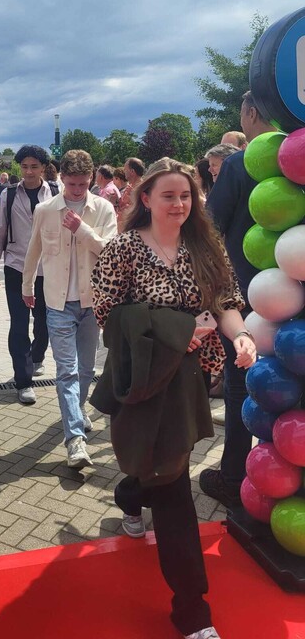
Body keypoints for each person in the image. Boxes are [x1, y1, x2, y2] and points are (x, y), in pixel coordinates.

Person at [90, 157, 256, 639]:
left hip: (186, 380)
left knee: (172, 479)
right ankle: (133, 492)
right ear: (145, 199)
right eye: (169, 195)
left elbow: (225, 300)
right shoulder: (124, 249)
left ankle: (191, 610)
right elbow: (107, 314)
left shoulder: (206, 244)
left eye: (187, 195)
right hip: (141, 375)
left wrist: (241, 336)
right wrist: (176, 329)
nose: (180, 203)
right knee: (165, 475)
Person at [199, 91, 277, 507]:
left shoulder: (237, 165)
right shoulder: (294, 156)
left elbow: (210, 232)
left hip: (245, 297)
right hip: (294, 294)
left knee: (239, 384)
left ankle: (234, 474)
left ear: (249, 113)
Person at [22, 150, 117, 467]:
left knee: (87, 369)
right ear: (61, 179)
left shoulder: (103, 208)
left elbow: (109, 251)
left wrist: (82, 229)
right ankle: (75, 439)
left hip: (93, 302)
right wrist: (26, 287)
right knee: (67, 370)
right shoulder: (45, 209)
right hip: (57, 302)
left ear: (91, 179)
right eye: (72, 184)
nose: (77, 190)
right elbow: (33, 250)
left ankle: (77, 412)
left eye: (83, 184)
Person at [0, 144, 56, 404]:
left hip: (47, 269)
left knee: (44, 321)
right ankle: (23, 380)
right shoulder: (8, 195)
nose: (29, 171)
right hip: (17, 267)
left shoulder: (54, 193)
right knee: (18, 323)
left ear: (43, 168)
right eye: (25, 166)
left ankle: (37, 356)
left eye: (34, 166)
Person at [117, 157, 145, 227]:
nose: (124, 171)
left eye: (125, 169)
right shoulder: (129, 187)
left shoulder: (144, 189)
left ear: (132, 171)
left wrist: (132, 199)